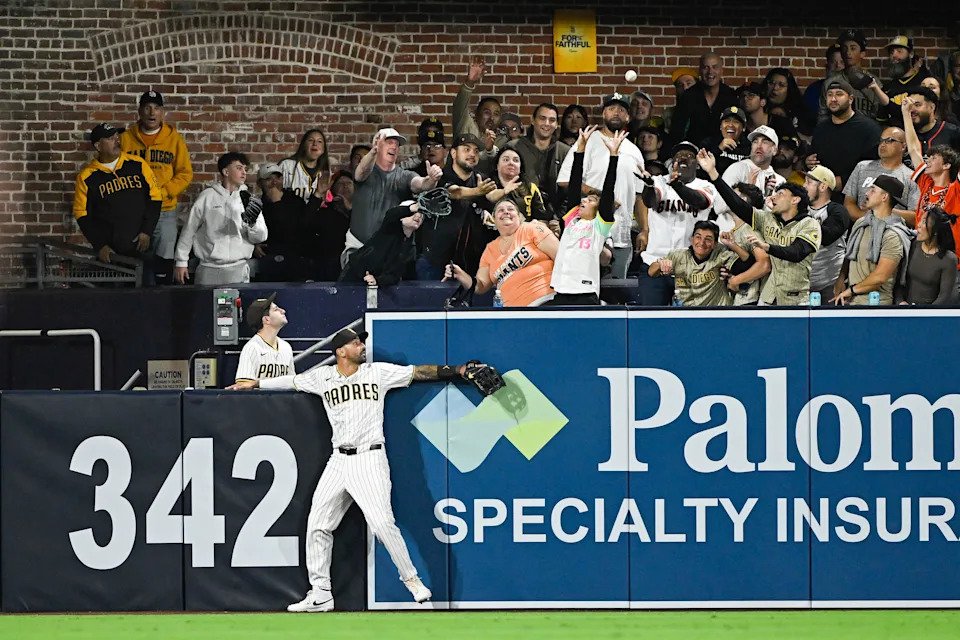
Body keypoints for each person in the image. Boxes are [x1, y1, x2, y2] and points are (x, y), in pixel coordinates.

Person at [228, 327, 491, 611]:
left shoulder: (376, 372)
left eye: (361, 342)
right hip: (338, 460)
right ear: (340, 351)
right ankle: (321, 593)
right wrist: (255, 383)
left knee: (382, 523)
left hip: (370, 457)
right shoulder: (322, 377)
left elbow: (417, 372)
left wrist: (457, 370)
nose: (362, 346)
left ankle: (412, 581)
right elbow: (291, 381)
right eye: (355, 343)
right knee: (317, 525)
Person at [700, 149, 821, 305]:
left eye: (781, 194)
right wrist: (713, 174)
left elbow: (796, 253)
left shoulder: (810, 224)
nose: (774, 197)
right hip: (768, 296)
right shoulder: (767, 219)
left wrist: (767, 247)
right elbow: (738, 205)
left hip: (796, 298)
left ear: (795, 200)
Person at [557, 92, 645, 278]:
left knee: (617, 290)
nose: (616, 113)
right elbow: (565, 180)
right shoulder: (588, 141)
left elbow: (639, 196)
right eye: (611, 108)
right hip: (589, 233)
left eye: (621, 110)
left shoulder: (634, 151)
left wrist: (645, 229)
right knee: (586, 284)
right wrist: (602, 197)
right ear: (604, 114)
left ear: (628, 117)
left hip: (622, 235)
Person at [120, 90, 193, 285]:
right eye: (147, 108)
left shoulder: (174, 139)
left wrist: (163, 192)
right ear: (139, 111)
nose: (152, 113)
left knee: (163, 262)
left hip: (165, 211)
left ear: (163, 112)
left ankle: (161, 298)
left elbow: (185, 173)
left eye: (156, 108)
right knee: (135, 262)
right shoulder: (125, 139)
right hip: (135, 212)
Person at [545, 126, 621, 305]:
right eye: (585, 198)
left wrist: (613, 157)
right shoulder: (572, 221)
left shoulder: (599, 227)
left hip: (585, 292)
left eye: (591, 200)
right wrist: (580, 150)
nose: (585, 200)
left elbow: (608, 192)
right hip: (561, 289)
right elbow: (574, 186)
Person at [345, 128, 442, 266]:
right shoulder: (366, 169)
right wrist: (373, 151)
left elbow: (420, 184)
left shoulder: (404, 175)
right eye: (389, 142)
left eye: (397, 144)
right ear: (378, 144)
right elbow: (360, 173)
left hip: (387, 253)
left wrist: (431, 180)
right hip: (357, 248)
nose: (394, 147)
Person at [636, 141, 717, 306]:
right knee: (650, 318)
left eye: (689, 155)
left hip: (691, 268)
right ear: (672, 162)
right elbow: (650, 200)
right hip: (655, 262)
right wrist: (648, 186)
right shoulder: (659, 181)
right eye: (679, 155)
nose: (683, 158)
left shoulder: (705, 185)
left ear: (697, 164)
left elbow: (700, 201)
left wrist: (677, 186)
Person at [73, 123, 162, 269]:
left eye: (117, 137)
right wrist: (100, 245)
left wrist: (147, 231)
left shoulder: (138, 164)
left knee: (148, 282)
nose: (117, 140)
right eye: (110, 138)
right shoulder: (87, 177)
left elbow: (155, 198)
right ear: (98, 146)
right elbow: (82, 214)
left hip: (141, 246)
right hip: (112, 253)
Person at [174, 152, 267, 285]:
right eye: (239, 168)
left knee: (237, 299)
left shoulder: (249, 200)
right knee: (206, 299)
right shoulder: (207, 197)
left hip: (238, 267)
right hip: (208, 267)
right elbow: (189, 230)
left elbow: (260, 238)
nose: (244, 173)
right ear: (226, 172)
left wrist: (252, 224)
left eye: (245, 169)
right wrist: (181, 261)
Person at [444, 199, 559, 307]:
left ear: (519, 216)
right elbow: (480, 286)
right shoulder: (490, 249)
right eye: (500, 210)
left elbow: (561, 258)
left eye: (510, 209)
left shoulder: (531, 229)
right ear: (493, 219)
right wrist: (460, 274)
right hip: (510, 312)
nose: (506, 212)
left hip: (546, 303)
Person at [416, 133, 496, 279]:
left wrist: (490, 211)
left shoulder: (481, 179)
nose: (472, 154)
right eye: (466, 149)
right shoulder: (440, 177)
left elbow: (491, 201)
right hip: (435, 262)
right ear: (453, 153)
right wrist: (477, 191)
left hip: (471, 264)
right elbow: (455, 192)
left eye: (476, 151)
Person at [833, 175, 914, 305]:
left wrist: (851, 291)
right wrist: (841, 278)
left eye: (873, 190)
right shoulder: (861, 223)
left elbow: (880, 277)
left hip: (877, 304)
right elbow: (850, 255)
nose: (867, 193)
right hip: (851, 301)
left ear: (884, 197)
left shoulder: (893, 234)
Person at [808, 78, 881, 199]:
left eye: (839, 94)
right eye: (829, 95)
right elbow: (812, 156)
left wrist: (844, 181)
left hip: (857, 196)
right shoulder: (821, 128)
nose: (833, 99)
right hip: (823, 195)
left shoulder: (869, 128)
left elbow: (874, 166)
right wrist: (808, 161)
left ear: (851, 99)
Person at [842, 126, 920, 225]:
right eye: (881, 140)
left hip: (892, 230)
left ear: (903, 146)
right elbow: (848, 203)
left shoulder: (912, 177)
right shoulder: (862, 167)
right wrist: (869, 220)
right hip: (862, 228)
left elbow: (916, 217)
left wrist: (884, 211)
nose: (882, 144)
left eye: (889, 140)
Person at [713, 125, 785, 232]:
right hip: (727, 233)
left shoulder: (780, 181)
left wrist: (765, 198)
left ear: (774, 150)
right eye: (755, 141)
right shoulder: (737, 169)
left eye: (765, 142)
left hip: (756, 238)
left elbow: (778, 221)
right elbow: (718, 207)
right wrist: (747, 189)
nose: (759, 146)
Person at [648, 220, 736, 306]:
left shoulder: (721, 255)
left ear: (715, 244)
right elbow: (651, 272)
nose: (702, 242)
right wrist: (660, 265)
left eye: (708, 239)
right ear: (691, 239)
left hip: (716, 311)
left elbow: (742, 263)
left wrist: (732, 245)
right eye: (698, 237)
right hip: (686, 311)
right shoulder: (678, 256)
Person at [505, 103, 571, 216]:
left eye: (552, 120)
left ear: (556, 125)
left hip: (556, 218)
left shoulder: (565, 152)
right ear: (533, 120)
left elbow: (570, 191)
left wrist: (559, 219)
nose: (547, 123)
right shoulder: (514, 147)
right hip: (519, 215)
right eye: (542, 118)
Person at [340, 201, 423, 287]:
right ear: (401, 217)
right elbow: (391, 214)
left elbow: (394, 275)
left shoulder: (410, 245)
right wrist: (411, 208)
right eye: (412, 214)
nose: (417, 216)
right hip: (356, 274)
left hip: (375, 281)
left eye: (421, 215)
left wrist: (377, 280)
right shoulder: (389, 230)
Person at [804, 166, 853, 302]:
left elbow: (826, 237)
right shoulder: (799, 208)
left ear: (823, 186)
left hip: (828, 285)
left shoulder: (838, 211)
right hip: (799, 284)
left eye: (809, 182)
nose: (804, 186)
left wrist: (799, 221)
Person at [669, 52, 738, 149]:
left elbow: (736, 128)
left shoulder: (731, 96)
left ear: (721, 71)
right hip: (693, 151)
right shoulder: (688, 96)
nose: (710, 72)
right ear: (700, 71)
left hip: (724, 151)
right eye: (706, 67)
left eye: (715, 67)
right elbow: (677, 131)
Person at [899, 207, 958, 305]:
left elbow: (944, 297)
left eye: (924, 222)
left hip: (930, 312)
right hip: (905, 309)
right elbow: (899, 282)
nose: (918, 225)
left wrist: (925, 312)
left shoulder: (949, 259)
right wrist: (900, 302)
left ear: (935, 231)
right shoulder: (913, 245)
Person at [234, 292, 294, 383]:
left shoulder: (286, 347)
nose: (283, 311)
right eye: (276, 309)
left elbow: (291, 383)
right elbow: (243, 385)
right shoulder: (252, 348)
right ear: (267, 319)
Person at [485, 147, 548, 222]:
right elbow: (490, 197)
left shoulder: (531, 188)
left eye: (516, 160)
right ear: (497, 165)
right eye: (506, 160)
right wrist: (504, 191)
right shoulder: (487, 184)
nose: (511, 163)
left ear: (520, 167)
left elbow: (542, 218)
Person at [280, 129, 332, 202]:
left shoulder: (325, 173)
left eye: (319, 141)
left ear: (323, 149)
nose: (315, 143)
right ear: (304, 145)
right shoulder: (287, 166)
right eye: (311, 140)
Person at [700, 106, 750, 176]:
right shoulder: (708, 143)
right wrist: (719, 149)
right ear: (720, 126)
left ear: (743, 128)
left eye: (736, 122)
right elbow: (702, 171)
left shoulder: (749, 147)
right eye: (727, 121)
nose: (730, 125)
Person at [803, 44, 843, 124]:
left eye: (842, 62)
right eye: (833, 62)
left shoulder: (855, 90)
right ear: (827, 66)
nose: (838, 66)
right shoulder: (813, 90)